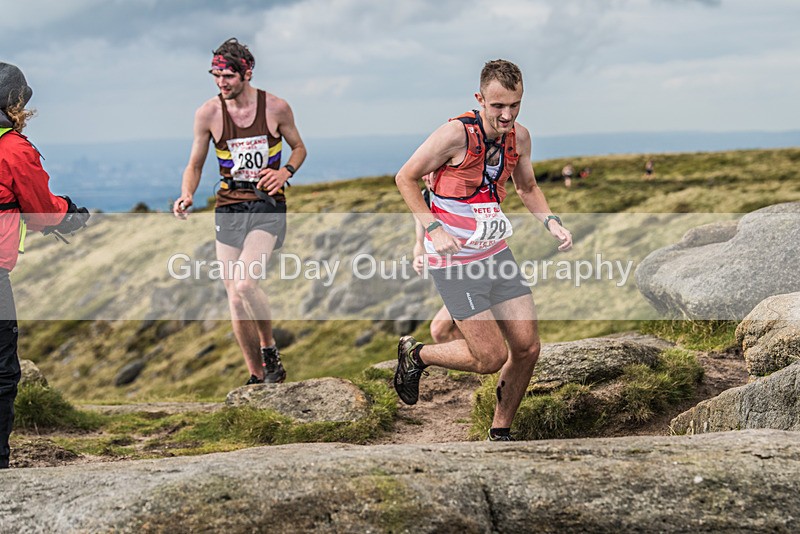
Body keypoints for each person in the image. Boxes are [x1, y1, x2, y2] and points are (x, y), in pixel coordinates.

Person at [394, 59, 572, 441]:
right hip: (454, 260)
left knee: (526, 348)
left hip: (496, 253)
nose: (506, 115)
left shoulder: (520, 138)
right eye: (498, 106)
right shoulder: (454, 135)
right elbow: (405, 178)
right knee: (489, 358)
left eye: (514, 105)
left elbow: (527, 188)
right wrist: (432, 228)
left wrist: (551, 222)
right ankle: (416, 355)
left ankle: (500, 432)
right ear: (480, 99)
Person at [173, 38, 306, 385]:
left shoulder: (275, 107)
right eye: (216, 75)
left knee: (246, 284)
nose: (221, 83)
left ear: (246, 73)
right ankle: (257, 376)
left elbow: (299, 148)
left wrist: (284, 172)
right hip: (229, 205)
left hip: (267, 204)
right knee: (233, 296)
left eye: (228, 76)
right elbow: (195, 163)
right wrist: (187, 194)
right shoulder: (208, 113)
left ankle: (269, 349)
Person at [0, 62, 90, 468]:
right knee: (2, 372)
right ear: (15, 104)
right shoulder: (13, 148)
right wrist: (68, 212)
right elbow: (39, 210)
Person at [412, 173, 462, 344]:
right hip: (452, 278)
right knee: (451, 332)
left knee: (439, 330)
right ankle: (483, 367)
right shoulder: (423, 198)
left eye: (431, 172)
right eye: (423, 173)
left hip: (474, 275)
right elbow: (420, 243)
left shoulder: (456, 198)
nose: (426, 178)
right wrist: (419, 259)